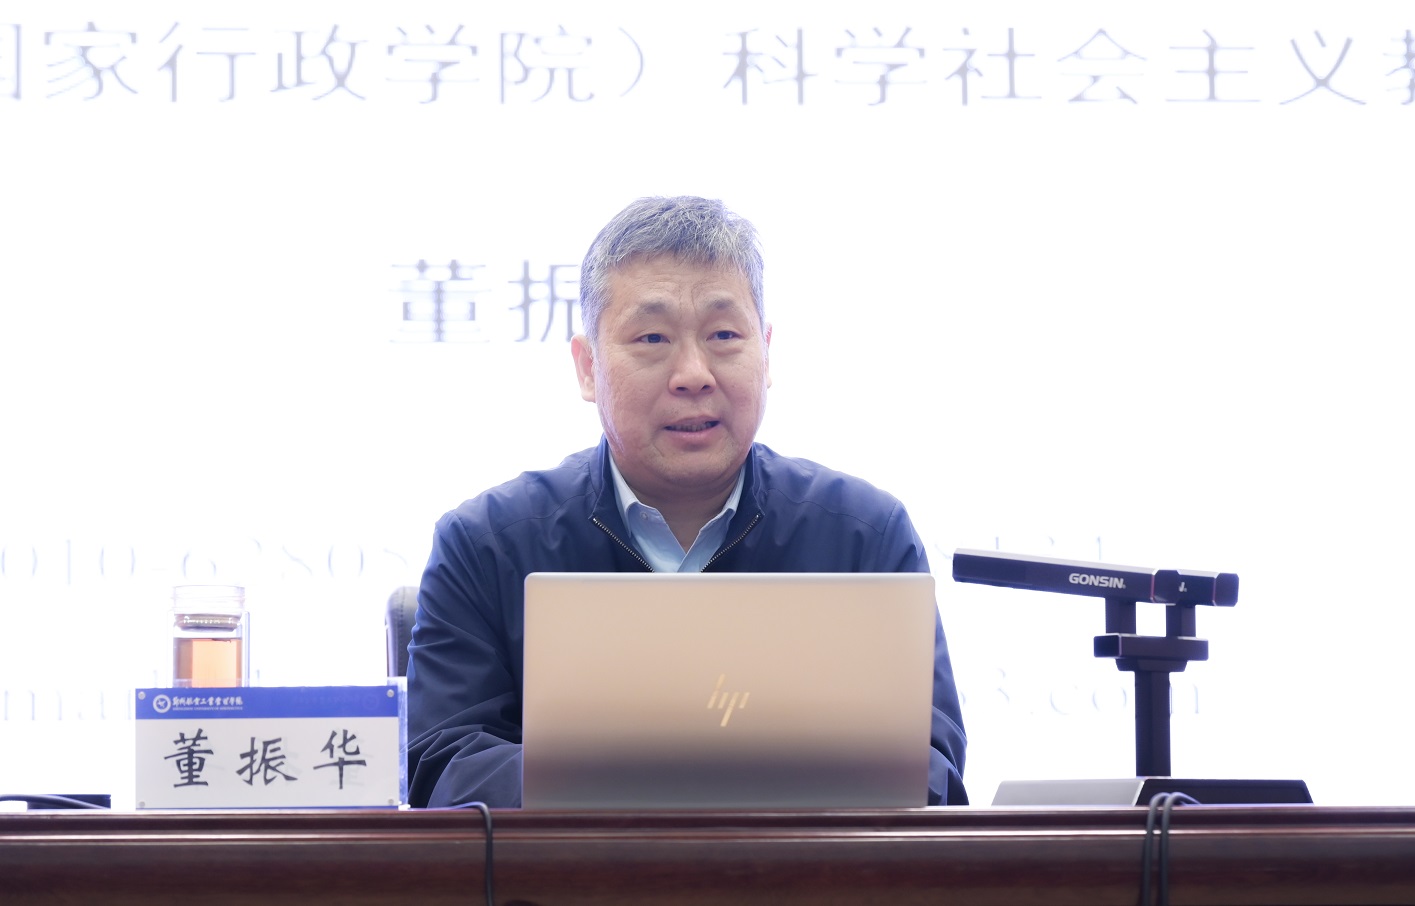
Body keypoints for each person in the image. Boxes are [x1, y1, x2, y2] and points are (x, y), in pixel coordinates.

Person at [406, 196, 968, 807]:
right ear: (588, 368)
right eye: (652, 338)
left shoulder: (865, 536)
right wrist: (663, 779)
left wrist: (704, 778)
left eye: (724, 335)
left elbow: (933, 773)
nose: (694, 373)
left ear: (766, 351)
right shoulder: (484, 545)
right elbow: (444, 769)